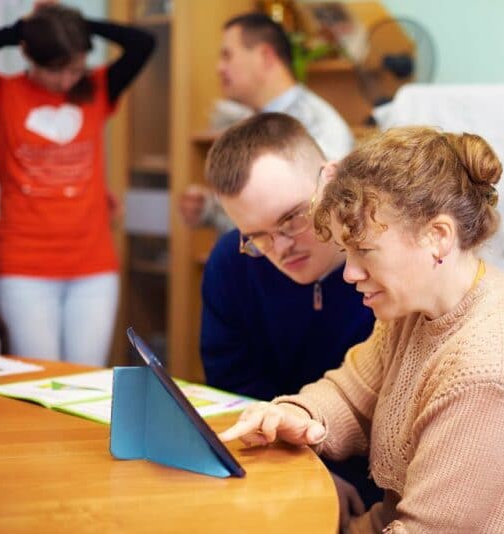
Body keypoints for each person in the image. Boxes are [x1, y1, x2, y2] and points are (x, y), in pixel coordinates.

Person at [218, 126, 504, 533]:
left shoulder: (492, 369)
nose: (350, 273)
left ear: (437, 237)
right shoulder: (414, 310)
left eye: (365, 251)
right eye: (346, 252)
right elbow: (350, 395)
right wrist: (295, 414)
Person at [202, 112, 380, 526]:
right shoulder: (231, 262)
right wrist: (306, 471)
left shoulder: (387, 267)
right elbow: (234, 390)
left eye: (292, 218)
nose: (280, 248)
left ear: (330, 179)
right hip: (274, 460)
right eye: (257, 236)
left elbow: (389, 414)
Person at [0, 4, 155, 364]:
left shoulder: (97, 89)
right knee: (38, 380)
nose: (66, 81)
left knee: (86, 378)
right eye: (56, 70)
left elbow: (142, 43)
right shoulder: (0, 94)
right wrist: (24, 31)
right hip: (25, 266)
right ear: (30, 56)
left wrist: (75, 26)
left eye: (75, 68)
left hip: (93, 266)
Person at [179, 12, 354, 233]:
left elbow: (316, 219)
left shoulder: (318, 125)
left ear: (265, 56)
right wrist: (210, 208)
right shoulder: (250, 123)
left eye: (227, 56)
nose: (219, 68)